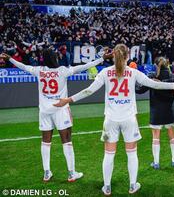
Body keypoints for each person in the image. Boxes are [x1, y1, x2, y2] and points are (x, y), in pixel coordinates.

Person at [53, 44, 174, 195]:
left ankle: (107, 187)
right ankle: (133, 185)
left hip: (110, 121)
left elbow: (89, 91)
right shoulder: (133, 73)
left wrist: (67, 100)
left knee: (108, 154)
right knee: (131, 153)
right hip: (129, 120)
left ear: (114, 56)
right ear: (127, 56)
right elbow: (155, 84)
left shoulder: (106, 72)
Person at [0, 49, 106, 182]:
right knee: (66, 141)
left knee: (45, 141)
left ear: (44, 59)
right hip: (60, 109)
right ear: (55, 58)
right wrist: (101, 59)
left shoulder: (39, 70)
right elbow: (84, 67)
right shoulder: (62, 70)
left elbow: (23, 66)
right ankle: (72, 173)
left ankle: (46, 172)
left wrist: (10, 58)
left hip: (44, 110)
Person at [136, 57, 174, 169]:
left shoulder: (152, 76)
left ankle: (156, 163)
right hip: (169, 110)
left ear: (156, 65)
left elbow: (139, 90)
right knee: (172, 134)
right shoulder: (172, 76)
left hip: (156, 110)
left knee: (156, 136)